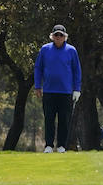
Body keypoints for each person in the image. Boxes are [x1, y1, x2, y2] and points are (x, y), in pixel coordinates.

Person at [34, 24, 82, 153]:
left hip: (66, 91)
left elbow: (77, 70)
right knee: (49, 119)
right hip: (49, 91)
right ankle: (48, 145)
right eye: (56, 35)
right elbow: (38, 68)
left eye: (61, 35)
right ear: (52, 36)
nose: (58, 37)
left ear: (65, 37)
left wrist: (77, 89)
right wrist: (37, 86)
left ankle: (61, 146)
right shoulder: (45, 49)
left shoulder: (71, 50)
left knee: (64, 120)